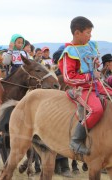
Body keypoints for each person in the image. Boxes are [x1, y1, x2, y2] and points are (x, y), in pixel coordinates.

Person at [58, 16, 112, 155]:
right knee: (97, 110)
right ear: (77, 33)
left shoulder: (89, 46)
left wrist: (95, 66)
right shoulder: (69, 52)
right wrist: (90, 76)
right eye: (87, 32)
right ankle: (76, 140)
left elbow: (91, 66)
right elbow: (68, 77)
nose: (90, 35)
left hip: (96, 85)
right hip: (81, 89)